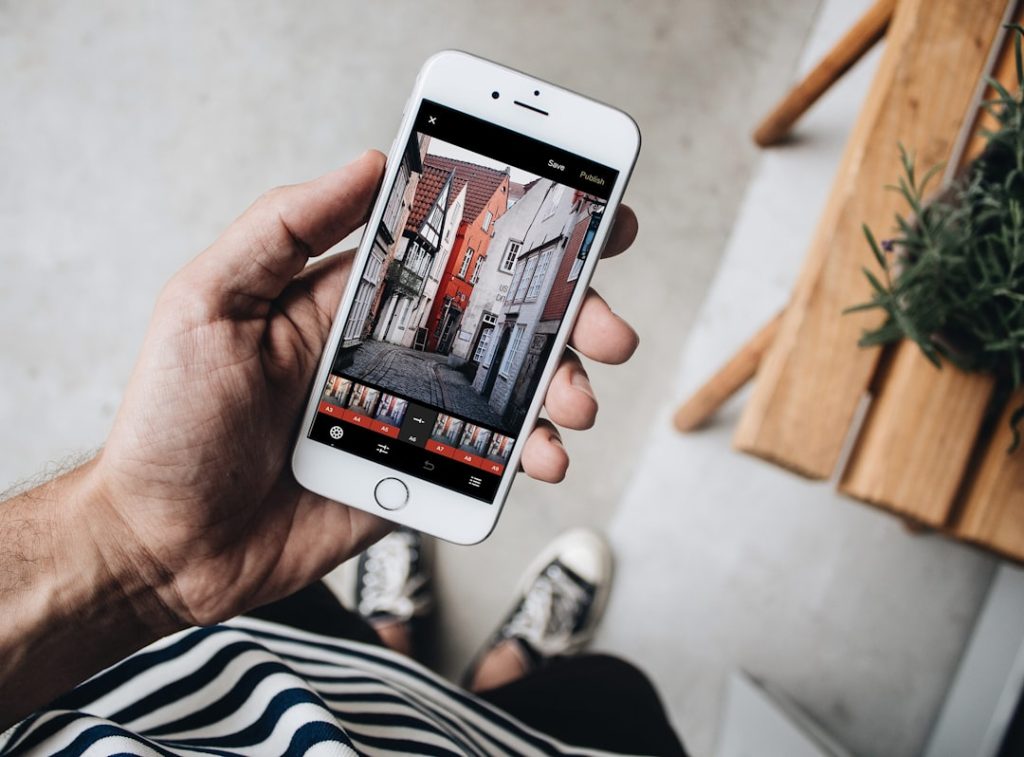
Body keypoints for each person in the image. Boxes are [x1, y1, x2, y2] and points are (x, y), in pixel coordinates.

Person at [0, 152, 685, 755]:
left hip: (204, 678)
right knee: (606, 697)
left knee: (349, 651)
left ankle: (389, 631)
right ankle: (503, 670)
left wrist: (127, 546)